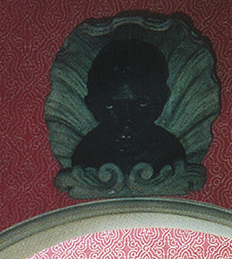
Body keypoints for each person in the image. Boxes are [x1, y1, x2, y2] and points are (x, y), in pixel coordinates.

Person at [71, 34, 186, 177]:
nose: (126, 118)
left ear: (160, 102)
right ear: (93, 106)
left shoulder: (169, 153)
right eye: (111, 105)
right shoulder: (87, 154)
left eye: (140, 103)